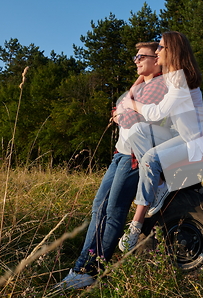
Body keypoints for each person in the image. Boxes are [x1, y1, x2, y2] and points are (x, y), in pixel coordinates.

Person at [55, 42, 170, 290]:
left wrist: (122, 111)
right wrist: (122, 108)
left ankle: (87, 272)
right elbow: (119, 110)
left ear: (156, 60)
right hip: (120, 154)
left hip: (134, 158)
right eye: (135, 55)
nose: (136, 60)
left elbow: (129, 117)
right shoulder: (143, 84)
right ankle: (84, 267)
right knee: (100, 207)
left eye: (142, 56)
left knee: (113, 210)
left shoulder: (159, 85)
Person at [118, 31, 203, 251]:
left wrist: (131, 104)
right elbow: (146, 76)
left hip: (196, 143)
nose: (157, 51)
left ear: (173, 50)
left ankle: (136, 226)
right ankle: (160, 184)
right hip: (182, 137)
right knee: (138, 130)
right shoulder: (172, 75)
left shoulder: (182, 79)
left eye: (160, 47)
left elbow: (156, 113)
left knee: (150, 156)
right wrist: (135, 87)